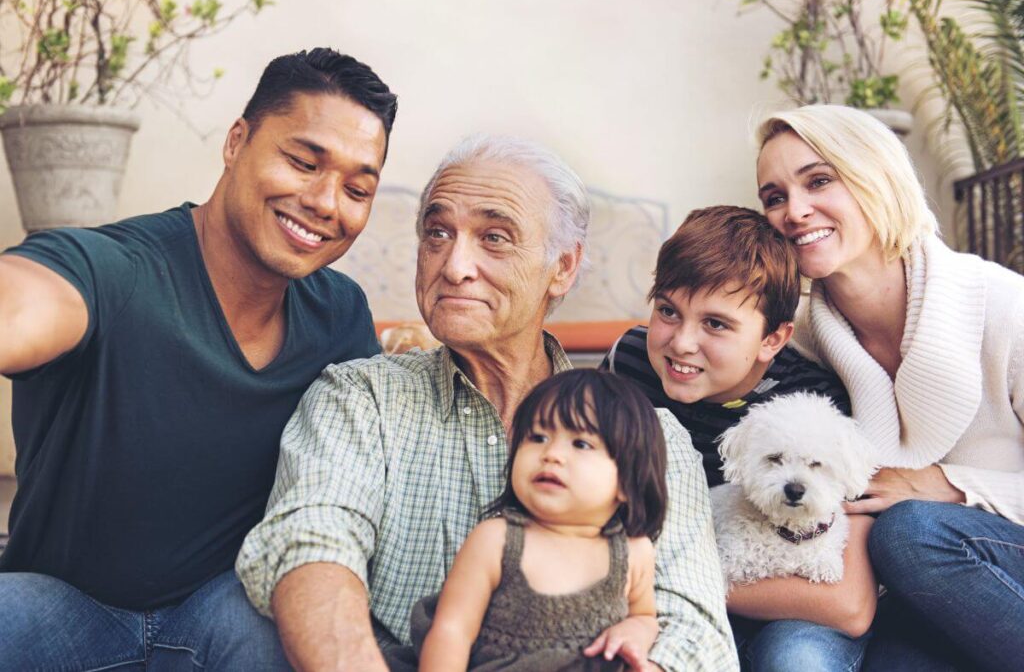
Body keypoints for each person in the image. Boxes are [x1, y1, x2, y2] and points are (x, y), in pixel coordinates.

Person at [236, 135, 738, 672]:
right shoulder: (362, 397)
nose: (454, 266)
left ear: (563, 268)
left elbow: (694, 630)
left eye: (495, 238)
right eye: (437, 233)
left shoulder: (651, 437)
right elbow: (311, 548)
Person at [0, 48, 396, 670]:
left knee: (282, 621)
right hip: (61, 611)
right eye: (302, 161)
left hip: (226, 615)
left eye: (357, 188)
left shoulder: (340, 315)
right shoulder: (120, 271)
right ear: (237, 141)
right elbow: (24, 303)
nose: (325, 202)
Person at [755, 103, 1024, 671]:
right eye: (774, 196)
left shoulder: (1002, 307)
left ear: (876, 179)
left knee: (909, 531)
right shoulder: (802, 339)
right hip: (907, 599)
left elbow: (915, 519)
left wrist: (952, 486)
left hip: (997, 566)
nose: (794, 212)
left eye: (819, 180)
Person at [603, 205, 875, 672]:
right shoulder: (627, 363)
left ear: (773, 339)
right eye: (668, 311)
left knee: (795, 659)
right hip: (658, 592)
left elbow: (848, 605)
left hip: (776, 609)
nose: (681, 342)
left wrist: (669, 586)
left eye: (715, 324)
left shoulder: (814, 404)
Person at [418, 369, 668, 671]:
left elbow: (644, 615)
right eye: (537, 437)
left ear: (628, 482)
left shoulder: (633, 551)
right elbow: (452, 631)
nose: (551, 454)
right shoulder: (497, 540)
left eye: (581, 444)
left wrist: (637, 630)